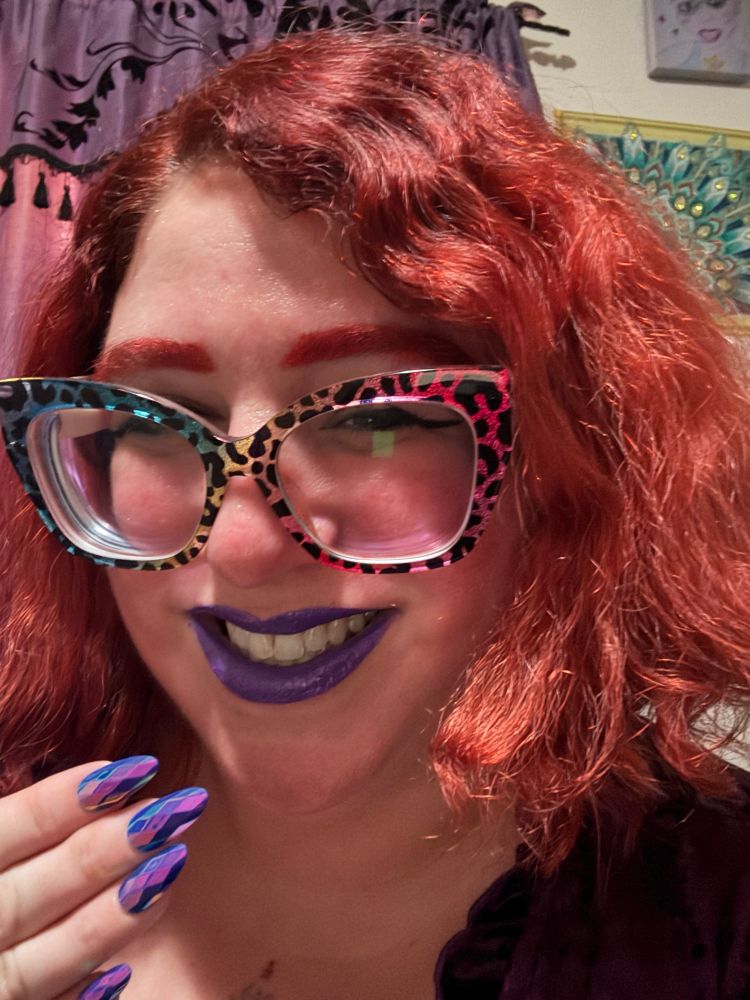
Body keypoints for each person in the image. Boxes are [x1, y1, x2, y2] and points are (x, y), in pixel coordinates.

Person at [0, 28, 748, 1000]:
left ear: (572, 468)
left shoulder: (714, 917)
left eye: (381, 420)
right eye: (163, 419)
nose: (240, 544)